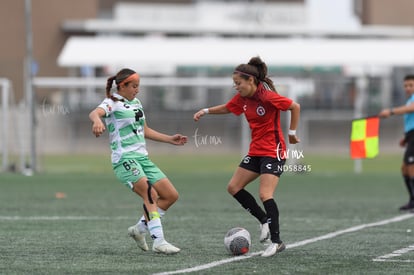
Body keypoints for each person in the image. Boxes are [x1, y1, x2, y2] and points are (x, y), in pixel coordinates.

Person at [193, 57, 301, 257]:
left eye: (238, 83)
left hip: (273, 152)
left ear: (251, 81)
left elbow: (295, 106)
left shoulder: (267, 97)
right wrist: (206, 111)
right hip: (256, 151)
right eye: (234, 83)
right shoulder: (242, 98)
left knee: (265, 194)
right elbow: (228, 107)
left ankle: (277, 242)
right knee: (233, 187)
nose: (236, 87)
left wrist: (292, 133)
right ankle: (263, 221)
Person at [89, 68, 187, 254]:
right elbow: (94, 113)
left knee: (170, 195)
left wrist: (169, 139)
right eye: (134, 86)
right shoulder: (112, 102)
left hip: (143, 159)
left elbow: (145, 130)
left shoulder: (136, 103)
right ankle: (159, 241)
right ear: (122, 86)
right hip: (124, 159)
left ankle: (139, 229)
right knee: (150, 193)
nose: (137, 89)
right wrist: (97, 121)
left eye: (138, 86)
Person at [379, 74, 414, 211]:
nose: (408, 88)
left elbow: (411, 109)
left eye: (411, 85)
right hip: (411, 136)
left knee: (411, 167)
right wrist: (406, 138)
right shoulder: (409, 100)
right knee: (405, 168)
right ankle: (412, 200)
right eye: (406, 85)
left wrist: (391, 111)